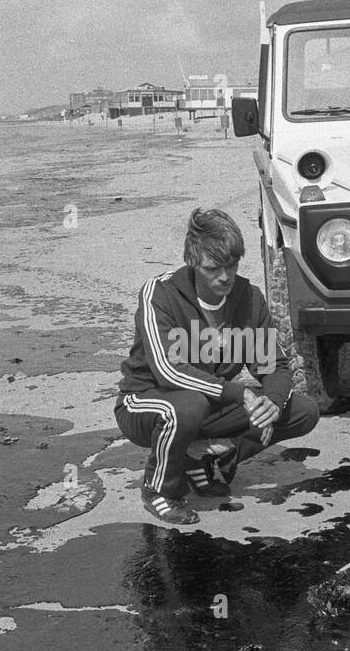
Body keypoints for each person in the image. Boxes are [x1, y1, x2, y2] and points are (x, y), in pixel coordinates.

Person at [115, 208, 320, 524]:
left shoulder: (249, 299)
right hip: (146, 401)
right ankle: (159, 489)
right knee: (187, 406)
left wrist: (273, 403)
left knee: (302, 410)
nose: (225, 277)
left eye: (232, 265)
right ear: (193, 261)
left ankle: (203, 458)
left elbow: (275, 367)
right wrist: (241, 395)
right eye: (214, 268)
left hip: (208, 403)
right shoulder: (160, 294)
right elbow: (168, 370)